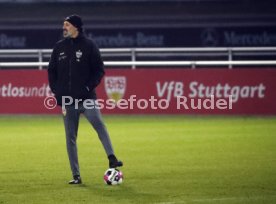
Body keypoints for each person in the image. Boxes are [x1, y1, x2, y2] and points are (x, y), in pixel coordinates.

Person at [48, 14, 123, 184]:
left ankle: (112, 158)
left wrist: (88, 87)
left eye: (66, 24)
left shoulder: (89, 45)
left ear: (76, 27)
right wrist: (55, 90)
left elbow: (99, 70)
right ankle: (76, 176)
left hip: (87, 98)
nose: (63, 27)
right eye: (63, 25)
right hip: (67, 101)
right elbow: (51, 70)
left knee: (99, 125)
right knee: (70, 138)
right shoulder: (59, 47)